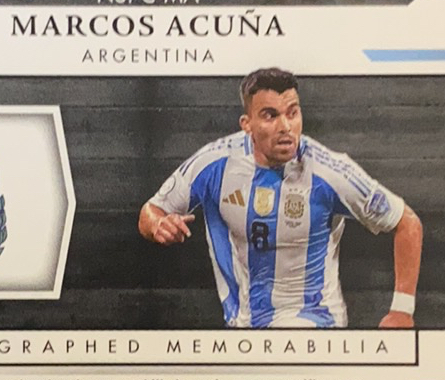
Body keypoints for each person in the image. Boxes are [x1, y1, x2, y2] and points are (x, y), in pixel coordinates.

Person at [138, 68, 422, 329]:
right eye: (270, 116)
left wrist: (402, 310)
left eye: (293, 113)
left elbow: (407, 223)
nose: (285, 126)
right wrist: (159, 225)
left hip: (315, 326)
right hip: (242, 330)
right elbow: (151, 211)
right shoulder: (214, 164)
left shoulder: (329, 171)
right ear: (247, 124)